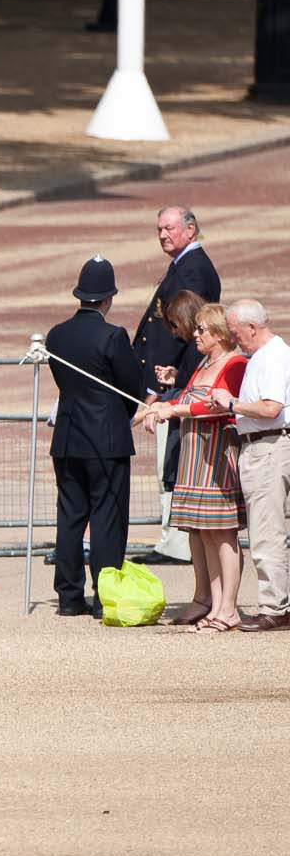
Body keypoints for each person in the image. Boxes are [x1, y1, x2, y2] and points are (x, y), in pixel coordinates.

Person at [44, 257, 148, 618]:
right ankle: (105, 596)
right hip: (106, 438)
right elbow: (132, 387)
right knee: (106, 517)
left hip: (69, 436)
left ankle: (68, 596)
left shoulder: (57, 334)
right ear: (108, 299)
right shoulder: (113, 335)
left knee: (70, 517)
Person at [139, 303, 248, 631]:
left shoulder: (235, 363)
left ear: (219, 334)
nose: (196, 334)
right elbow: (186, 399)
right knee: (202, 532)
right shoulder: (203, 362)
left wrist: (174, 412)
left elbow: (220, 408)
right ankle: (214, 604)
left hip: (215, 457)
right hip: (193, 457)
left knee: (222, 532)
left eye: (202, 329)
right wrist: (159, 407)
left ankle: (228, 607)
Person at [133, 206, 220, 565]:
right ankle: (173, 539)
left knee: (173, 462)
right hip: (173, 379)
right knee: (169, 461)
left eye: (169, 228)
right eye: (159, 229)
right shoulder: (183, 264)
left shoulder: (194, 269)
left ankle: (177, 543)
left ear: (190, 229)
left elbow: (183, 331)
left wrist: (156, 388)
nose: (162, 235)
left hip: (177, 382)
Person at [216, 301, 290, 631]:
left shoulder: (273, 356)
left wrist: (232, 404)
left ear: (251, 328)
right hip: (263, 446)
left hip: (268, 447)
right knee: (266, 530)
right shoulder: (265, 356)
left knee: (266, 532)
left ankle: (275, 606)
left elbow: (272, 407)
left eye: (235, 334)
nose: (235, 341)